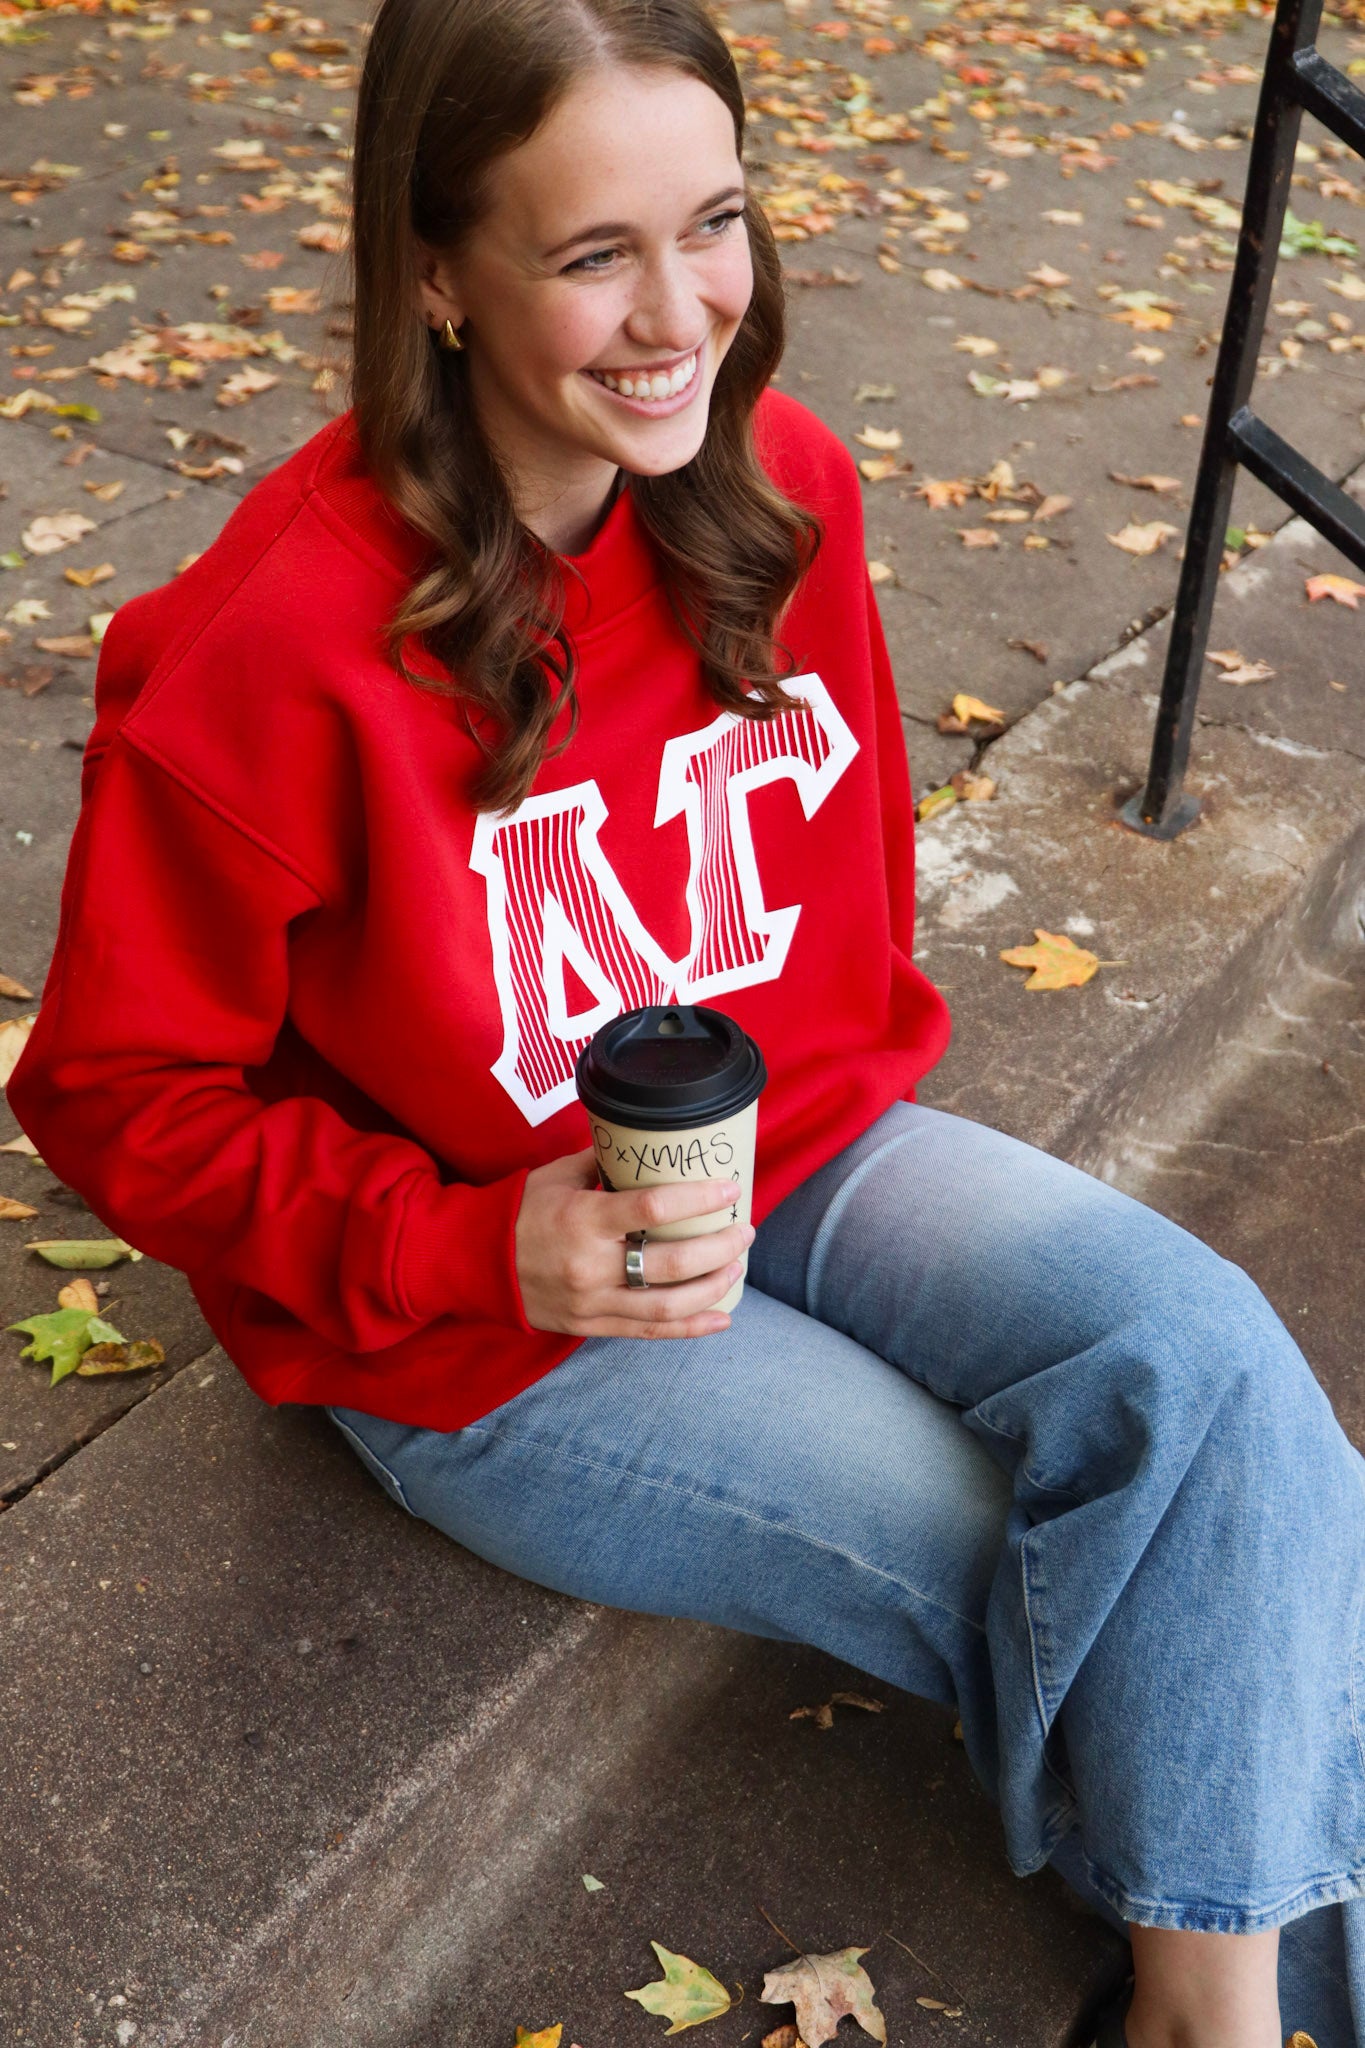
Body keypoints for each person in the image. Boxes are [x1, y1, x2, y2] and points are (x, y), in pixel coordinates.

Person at [8, 0, 1363, 2041]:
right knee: (1120, 1559)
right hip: (482, 1315)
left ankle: (1198, 2017)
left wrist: (833, 1141)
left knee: (1220, 1388)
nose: (680, 316)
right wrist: (476, 1237)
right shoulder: (262, 652)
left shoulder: (779, 484)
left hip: (811, 1150)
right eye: (590, 256)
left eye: (710, 223)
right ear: (438, 276)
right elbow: (117, 1095)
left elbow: (848, 892)